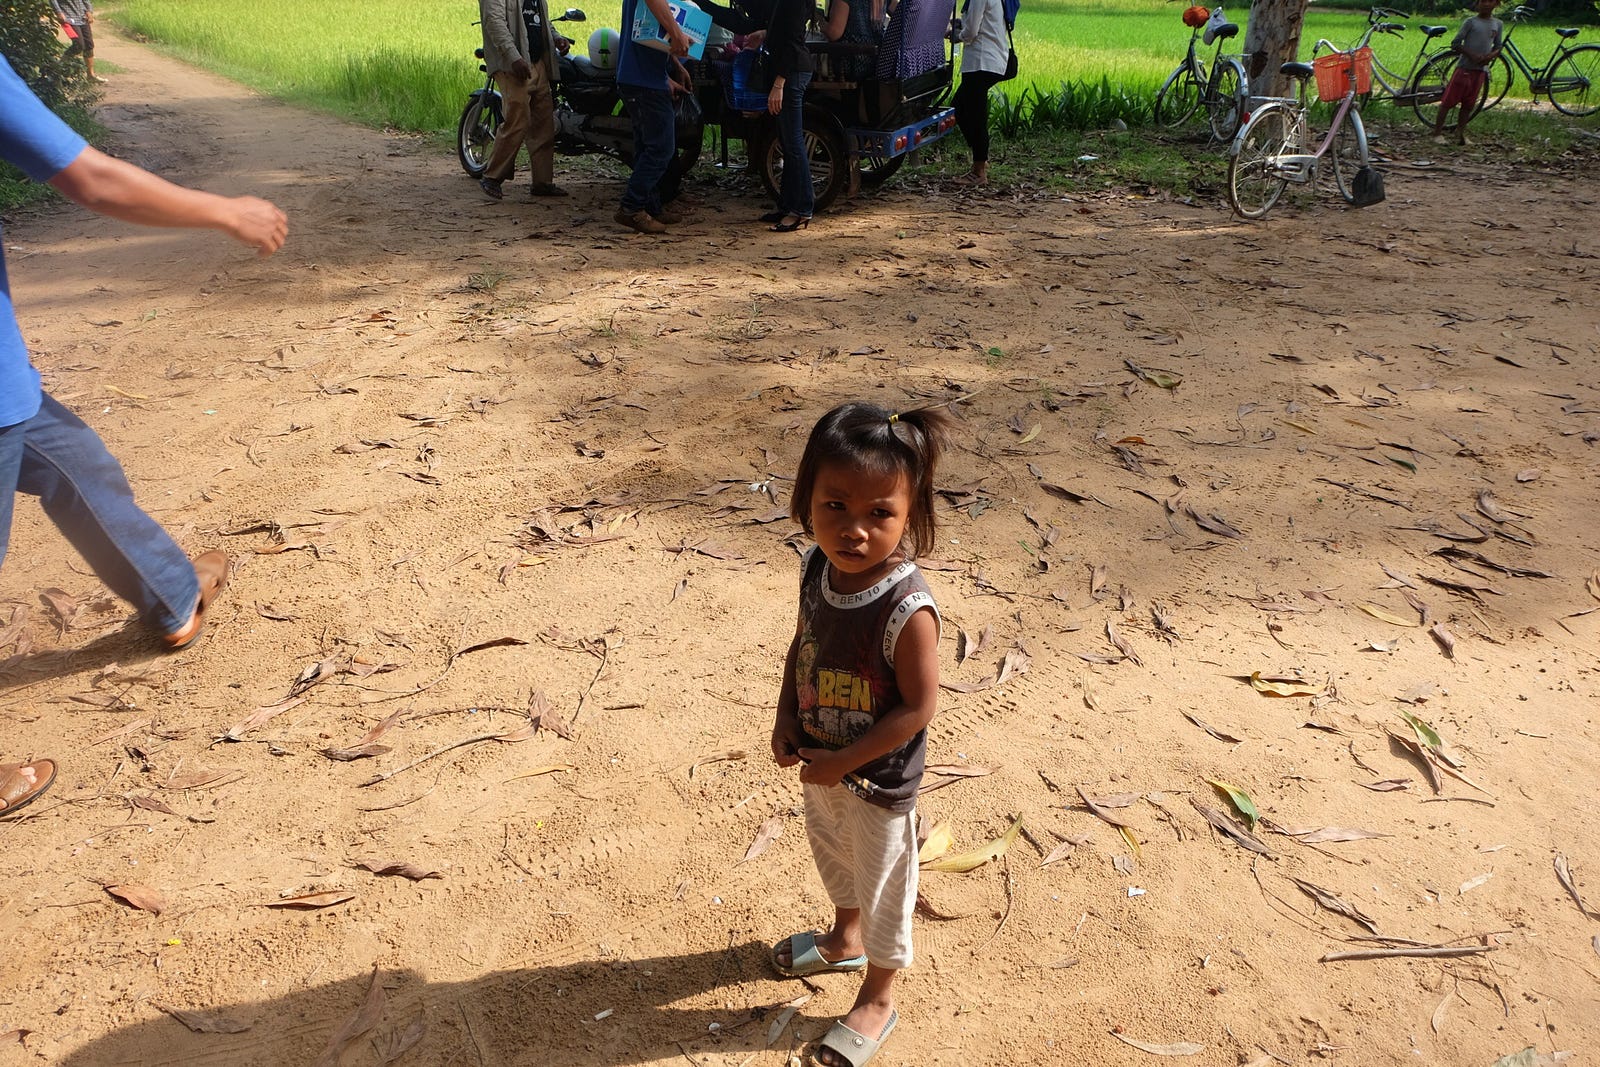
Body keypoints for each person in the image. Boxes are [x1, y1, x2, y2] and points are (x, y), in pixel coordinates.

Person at [1, 53, 287, 810]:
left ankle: (171, 594)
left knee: (76, 463)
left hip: (7, 383)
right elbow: (91, 178)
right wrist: (226, 211)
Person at [769, 401, 953, 1067]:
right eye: (835, 506)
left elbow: (918, 707)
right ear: (806, 501)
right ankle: (844, 940)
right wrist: (786, 715)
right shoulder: (815, 569)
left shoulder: (907, 607)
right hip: (821, 762)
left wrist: (845, 759)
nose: (854, 529)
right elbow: (804, 643)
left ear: (909, 515)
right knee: (834, 856)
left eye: (879, 513)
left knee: (883, 884)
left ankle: (878, 995)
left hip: (877, 782)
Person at [477, 0, 568, 201]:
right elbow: (494, 22)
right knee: (517, 120)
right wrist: (513, 57)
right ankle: (492, 177)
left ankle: (542, 183)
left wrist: (556, 38)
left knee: (544, 123)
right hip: (512, 65)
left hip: (536, 62)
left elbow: (540, 20)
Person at [615, 0, 692, 233]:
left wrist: (673, 66)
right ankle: (632, 207)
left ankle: (650, 206)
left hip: (643, 76)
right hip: (644, 80)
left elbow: (647, 28)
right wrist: (677, 34)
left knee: (646, 147)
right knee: (661, 149)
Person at [760, 0, 816, 231]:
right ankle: (787, 205)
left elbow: (792, 41)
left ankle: (802, 209)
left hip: (791, 72)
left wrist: (779, 83)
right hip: (788, 69)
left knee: (793, 143)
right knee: (786, 141)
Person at [952, 0, 1008, 185]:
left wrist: (956, 36)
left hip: (981, 61)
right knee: (959, 108)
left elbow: (971, 32)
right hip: (991, 60)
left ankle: (979, 171)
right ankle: (980, 157)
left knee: (974, 116)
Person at [1431, 0, 1502, 146]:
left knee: (1468, 104)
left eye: (1490, 1)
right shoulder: (1471, 22)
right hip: (1464, 68)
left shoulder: (1498, 24)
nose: (1486, 4)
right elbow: (1456, 44)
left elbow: (1498, 46)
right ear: (1477, 3)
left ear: (1496, 4)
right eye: (1483, 1)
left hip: (1480, 71)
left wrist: (1490, 56)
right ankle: (1437, 133)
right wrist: (1472, 55)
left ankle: (1460, 133)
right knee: (1448, 102)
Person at [820, 0, 884, 81]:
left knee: (807, 62)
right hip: (878, 61)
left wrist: (822, 24)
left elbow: (834, 33)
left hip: (851, 62)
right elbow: (898, 11)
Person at [49, 0, 104, 83]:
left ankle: (90, 75)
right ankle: (57, 69)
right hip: (68, 18)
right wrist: (58, 12)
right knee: (78, 45)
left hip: (82, 16)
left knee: (89, 45)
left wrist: (89, 11)